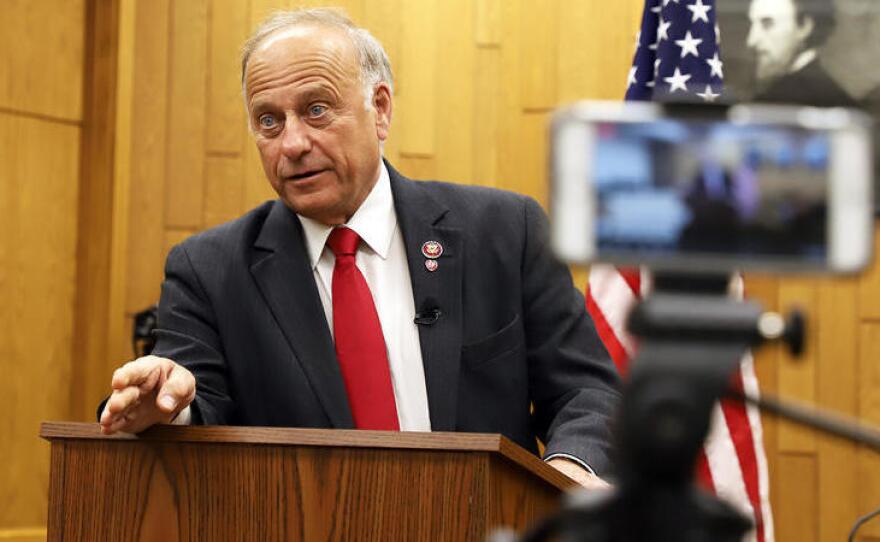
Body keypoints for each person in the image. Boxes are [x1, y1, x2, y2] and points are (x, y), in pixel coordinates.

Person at [98, 8, 620, 488]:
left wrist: (568, 474)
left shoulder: (506, 231)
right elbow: (194, 405)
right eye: (269, 121)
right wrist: (167, 404)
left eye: (317, 109)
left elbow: (586, 392)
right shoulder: (207, 271)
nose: (293, 143)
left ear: (380, 109)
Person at [746, 0, 855, 106]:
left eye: (767, 24)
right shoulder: (836, 97)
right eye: (752, 24)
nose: (751, 41)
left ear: (804, 27)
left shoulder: (776, 103)